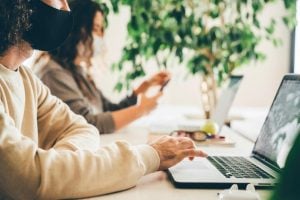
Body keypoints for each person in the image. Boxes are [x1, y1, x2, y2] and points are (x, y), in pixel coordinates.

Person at [0, 0, 207, 199]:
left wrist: (62, 168)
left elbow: (83, 128)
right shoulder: (51, 73)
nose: (65, 6)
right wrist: (150, 155)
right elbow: (31, 178)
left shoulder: (27, 80)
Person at [33, 0, 170, 134]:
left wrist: (142, 89)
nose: (101, 36)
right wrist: (140, 110)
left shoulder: (75, 70)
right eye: (96, 29)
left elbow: (108, 109)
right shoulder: (52, 73)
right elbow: (87, 123)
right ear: (75, 30)